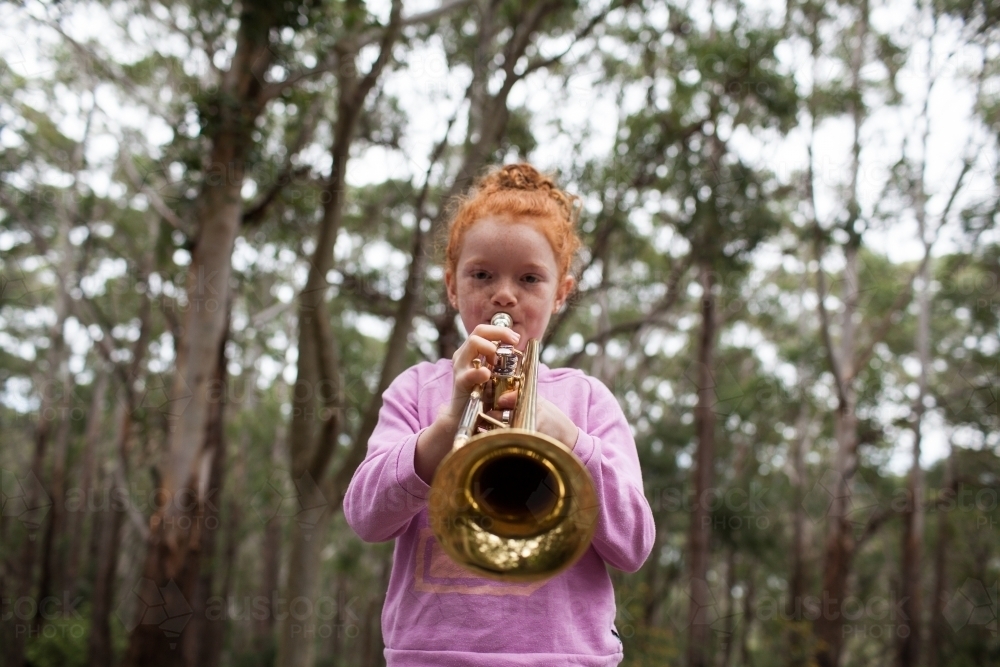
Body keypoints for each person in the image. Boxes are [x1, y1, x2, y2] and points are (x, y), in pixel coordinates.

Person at [344, 163, 656, 666]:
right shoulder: (415, 390)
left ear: (560, 293)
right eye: (482, 274)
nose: (504, 294)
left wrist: (568, 438)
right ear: (452, 286)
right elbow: (366, 517)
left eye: (530, 278)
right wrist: (446, 428)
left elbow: (634, 544)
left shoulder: (589, 400)